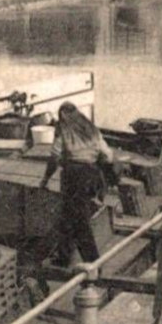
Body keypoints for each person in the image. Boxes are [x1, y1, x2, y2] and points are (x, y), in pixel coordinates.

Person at [38, 102, 116, 267]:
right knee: (67, 217)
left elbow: (54, 156)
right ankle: (63, 257)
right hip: (92, 176)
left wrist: (45, 179)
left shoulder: (63, 129)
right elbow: (108, 156)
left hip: (74, 178)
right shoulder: (91, 129)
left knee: (79, 222)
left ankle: (93, 262)